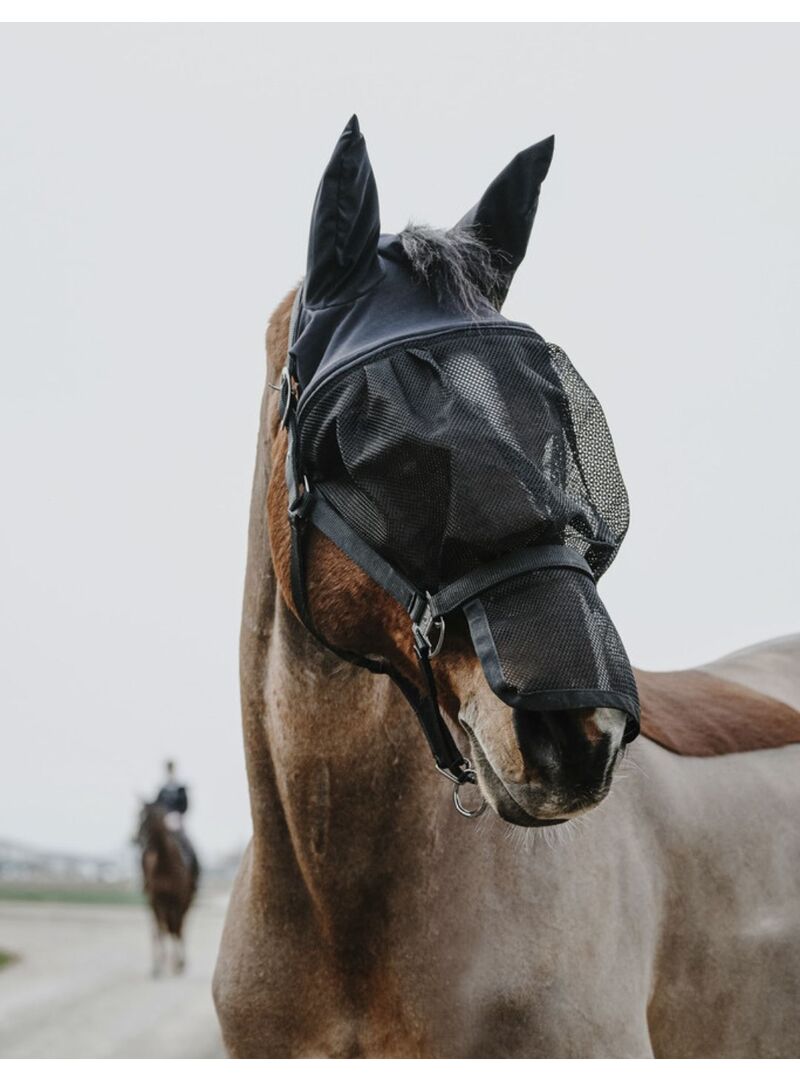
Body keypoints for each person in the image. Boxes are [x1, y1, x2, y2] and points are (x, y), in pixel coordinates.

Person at [154, 760, 199, 879]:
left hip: (178, 819)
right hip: (164, 821)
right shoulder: (162, 789)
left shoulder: (180, 788)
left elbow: (185, 805)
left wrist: (178, 814)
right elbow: (157, 805)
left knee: (185, 841)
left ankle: (191, 865)